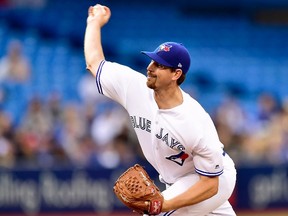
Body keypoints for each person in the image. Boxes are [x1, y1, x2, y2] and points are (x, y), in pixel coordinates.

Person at [84, 4, 237, 216]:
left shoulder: (193, 119)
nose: (150, 67)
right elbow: (94, 63)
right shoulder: (134, 87)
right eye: (152, 61)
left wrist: (163, 205)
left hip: (213, 180)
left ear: (176, 74)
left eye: (160, 65)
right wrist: (94, 22)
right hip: (179, 181)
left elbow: (210, 185)